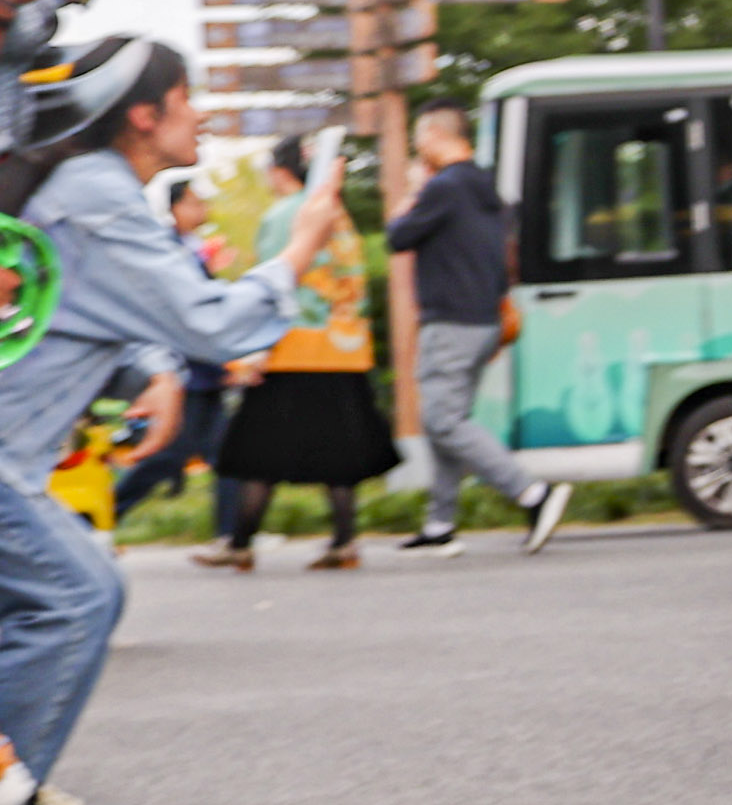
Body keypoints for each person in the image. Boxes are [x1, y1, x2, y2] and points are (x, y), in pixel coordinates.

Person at [0, 39, 329, 805]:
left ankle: (13, 793)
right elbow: (210, 322)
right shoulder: (96, 197)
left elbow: (70, 304)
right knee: (77, 592)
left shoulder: (92, 190)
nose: (204, 117)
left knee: (71, 594)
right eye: (189, 100)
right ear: (144, 115)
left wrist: (150, 369)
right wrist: (298, 250)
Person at [380, 107, 574, 560]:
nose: (416, 146)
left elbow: (398, 236)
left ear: (433, 135)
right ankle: (440, 524)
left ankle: (531, 493)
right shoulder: (484, 185)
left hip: (451, 319)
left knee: (444, 420)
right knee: (446, 421)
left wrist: (411, 190)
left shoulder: (443, 187)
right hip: (485, 318)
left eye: (418, 136)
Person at [205, 136, 391, 573]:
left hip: (293, 349)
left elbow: (275, 283)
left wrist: (252, 352)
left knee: (256, 451)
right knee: (338, 457)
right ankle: (345, 542)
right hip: (344, 349)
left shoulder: (288, 214)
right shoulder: (336, 213)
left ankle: (239, 543)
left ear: (279, 171)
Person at [102, 174, 229, 528]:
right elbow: (183, 312)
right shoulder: (170, 250)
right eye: (195, 201)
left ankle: (234, 536)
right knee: (169, 454)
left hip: (201, 371)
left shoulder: (191, 248)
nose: (203, 208)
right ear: (176, 207)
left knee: (221, 452)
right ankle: (98, 518)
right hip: (183, 370)